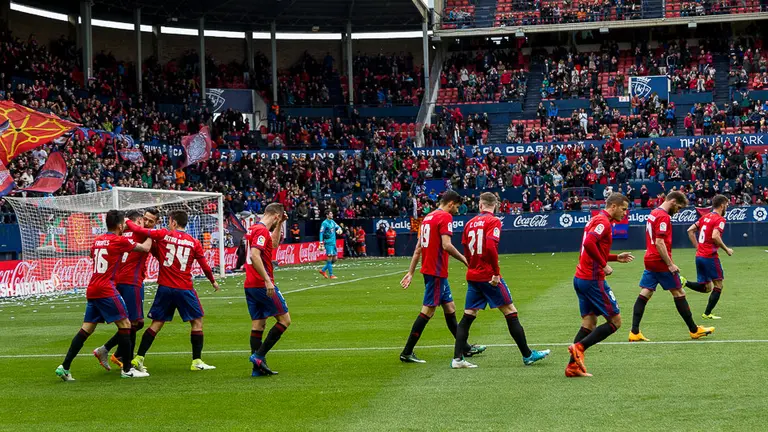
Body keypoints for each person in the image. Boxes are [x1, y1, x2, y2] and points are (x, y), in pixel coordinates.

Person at [451, 193, 550, 369]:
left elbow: (465, 247)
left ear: (480, 205)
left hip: (473, 275)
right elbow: (490, 246)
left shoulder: (469, 223)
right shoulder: (494, 221)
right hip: (488, 276)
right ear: (494, 206)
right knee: (510, 311)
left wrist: (472, 265)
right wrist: (496, 273)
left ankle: (457, 359)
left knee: (468, 315)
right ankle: (527, 355)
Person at [55, 210, 153, 381]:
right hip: (106, 288)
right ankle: (127, 369)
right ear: (120, 225)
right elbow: (145, 248)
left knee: (87, 329)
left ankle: (65, 367)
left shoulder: (98, 240)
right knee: (126, 325)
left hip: (92, 287)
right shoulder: (119, 240)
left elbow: (92, 254)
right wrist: (151, 233)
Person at [126, 210, 221, 373]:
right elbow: (204, 265)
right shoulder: (194, 242)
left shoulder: (163, 236)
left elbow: (145, 236)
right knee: (197, 322)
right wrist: (213, 281)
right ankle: (196, 361)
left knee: (157, 323)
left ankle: (139, 357)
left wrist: (128, 221)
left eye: (170, 221)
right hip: (184, 287)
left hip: (165, 287)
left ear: (174, 223)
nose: (169, 224)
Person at [399, 190, 485, 363]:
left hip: (432, 272)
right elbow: (446, 245)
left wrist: (411, 272)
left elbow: (418, 248)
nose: (457, 211)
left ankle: (465, 347)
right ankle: (407, 352)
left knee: (450, 307)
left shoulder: (427, 218)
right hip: (436, 272)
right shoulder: (445, 217)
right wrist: (465, 259)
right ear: (451, 204)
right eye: (457, 207)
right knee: (428, 311)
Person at [628, 191, 715, 342]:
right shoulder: (663, 216)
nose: (678, 211)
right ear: (673, 201)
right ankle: (694, 330)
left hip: (649, 258)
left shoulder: (653, 213)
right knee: (679, 292)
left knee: (646, 292)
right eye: (679, 207)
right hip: (660, 260)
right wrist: (670, 264)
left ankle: (634, 332)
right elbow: (660, 242)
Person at [566, 194, 634, 378]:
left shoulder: (598, 220)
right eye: (624, 209)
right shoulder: (603, 221)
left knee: (589, 323)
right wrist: (604, 265)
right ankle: (579, 347)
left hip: (581, 278)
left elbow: (592, 246)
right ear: (613, 206)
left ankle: (572, 367)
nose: (625, 213)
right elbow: (589, 243)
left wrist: (614, 257)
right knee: (615, 321)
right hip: (593, 280)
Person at [93, 208, 159, 370]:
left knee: (130, 322)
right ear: (138, 220)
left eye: (151, 221)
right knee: (135, 323)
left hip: (117, 282)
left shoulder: (123, 234)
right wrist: (151, 232)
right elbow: (149, 248)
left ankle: (121, 356)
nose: (147, 223)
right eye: (145, 219)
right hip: (131, 282)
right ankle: (113, 354)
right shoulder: (144, 233)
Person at [245, 203, 290, 376]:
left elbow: (274, 245)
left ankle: (257, 369)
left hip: (250, 284)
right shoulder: (261, 231)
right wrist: (267, 280)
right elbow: (254, 255)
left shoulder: (254, 228)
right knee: (285, 321)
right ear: (277, 215)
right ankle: (258, 356)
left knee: (259, 324)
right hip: (261, 284)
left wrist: (279, 225)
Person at [683, 194, 734, 319]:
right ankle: (707, 313)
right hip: (710, 257)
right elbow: (715, 236)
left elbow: (690, 230)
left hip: (699, 256)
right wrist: (726, 249)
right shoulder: (720, 219)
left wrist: (698, 247)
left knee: (706, 288)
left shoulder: (705, 217)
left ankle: (684, 282)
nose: (726, 207)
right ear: (722, 205)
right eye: (726, 205)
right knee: (718, 285)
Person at [318, 211, 342, 279]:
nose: (332, 215)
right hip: (328, 243)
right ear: (327, 215)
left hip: (333, 243)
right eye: (330, 214)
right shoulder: (324, 223)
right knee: (329, 258)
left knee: (335, 259)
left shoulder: (332, 222)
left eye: (332, 213)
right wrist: (321, 242)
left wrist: (340, 229)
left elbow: (338, 227)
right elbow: (321, 233)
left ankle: (323, 270)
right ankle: (331, 275)